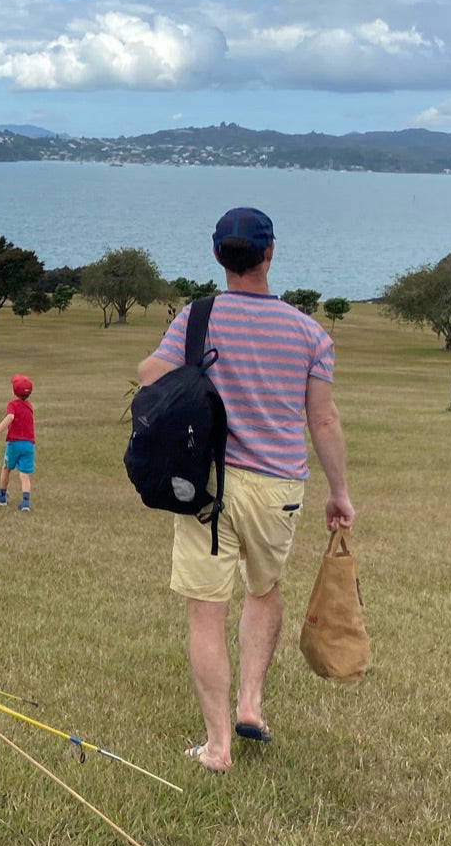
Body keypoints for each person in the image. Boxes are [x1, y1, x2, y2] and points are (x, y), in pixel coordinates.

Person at [136, 206, 354, 773]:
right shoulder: (311, 333)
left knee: (205, 613)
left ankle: (217, 746)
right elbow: (323, 421)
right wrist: (340, 491)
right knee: (264, 589)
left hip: (210, 484)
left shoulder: (196, 317)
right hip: (280, 486)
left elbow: (149, 375)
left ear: (217, 256)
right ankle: (250, 704)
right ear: (269, 253)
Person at [0, 373, 37, 511]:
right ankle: (26, 502)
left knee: (6, 468)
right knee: (24, 474)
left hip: (15, 443)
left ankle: (2, 496)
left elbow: (10, 417)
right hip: (28, 445)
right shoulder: (30, 406)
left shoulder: (12, 405)